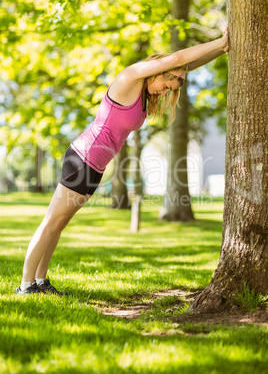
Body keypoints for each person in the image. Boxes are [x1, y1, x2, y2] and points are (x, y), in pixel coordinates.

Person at [16, 28, 229, 295]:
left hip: (95, 165)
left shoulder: (143, 95)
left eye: (169, 91)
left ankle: (40, 281)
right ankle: (26, 285)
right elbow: (176, 58)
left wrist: (220, 51)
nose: (164, 93)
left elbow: (185, 65)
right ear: (158, 72)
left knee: (60, 224)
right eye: (165, 86)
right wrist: (219, 40)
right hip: (82, 159)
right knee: (51, 221)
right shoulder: (129, 77)